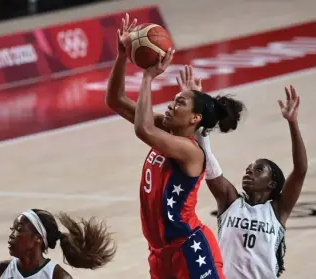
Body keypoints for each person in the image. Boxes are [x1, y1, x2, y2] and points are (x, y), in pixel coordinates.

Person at [105, 13, 245, 279]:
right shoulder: (164, 126)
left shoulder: (191, 151)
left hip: (190, 251)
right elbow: (115, 100)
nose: (170, 105)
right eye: (173, 100)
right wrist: (122, 56)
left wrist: (148, 77)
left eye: (179, 103)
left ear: (195, 119)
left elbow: (142, 128)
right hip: (160, 252)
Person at [200, 85, 308, 278]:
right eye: (248, 169)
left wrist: (293, 123)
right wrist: (199, 111)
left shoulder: (277, 210)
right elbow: (207, 161)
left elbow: (300, 171)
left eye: (258, 170)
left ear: (272, 184)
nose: (249, 172)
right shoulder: (230, 202)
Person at [0, 209, 116, 279]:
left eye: (19, 229)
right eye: (13, 229)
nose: (12, 235)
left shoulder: (57, 277)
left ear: (38, 238)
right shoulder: (1, 270)